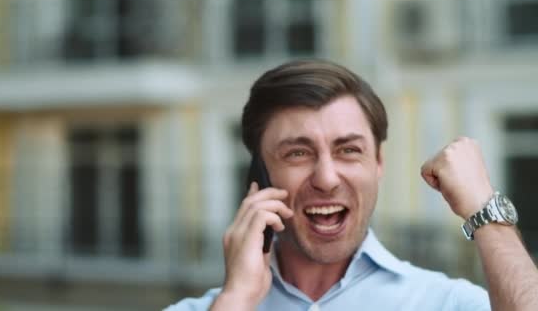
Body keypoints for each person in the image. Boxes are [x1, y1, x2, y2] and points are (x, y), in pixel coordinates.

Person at [166, 59, 538, 310]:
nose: (327, 179)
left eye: (348, 150)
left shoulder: (445, 302)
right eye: (297, 153)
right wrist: (237, 300)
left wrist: (486, 211)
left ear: (378, 164)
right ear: (259, 176)